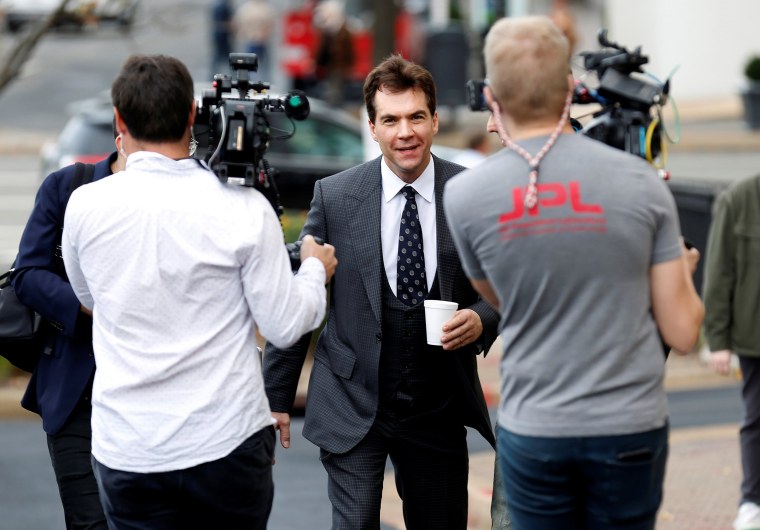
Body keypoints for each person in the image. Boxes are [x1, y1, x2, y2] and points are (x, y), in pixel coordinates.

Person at [444, 16, 704, 530]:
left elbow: (500, 295)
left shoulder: (465, 195)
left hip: (534, 427)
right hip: (627, 425)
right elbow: (683, 331)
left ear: (492, 96)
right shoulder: (640, 183)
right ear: (569, 88)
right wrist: (683, 269)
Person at [61, 54, 337, 529]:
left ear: (120, 121)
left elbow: (87, 297)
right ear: (192, 115)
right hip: (226, 443)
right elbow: (285, 323)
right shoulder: (244, 208)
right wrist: (314, 270)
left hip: (128, 447)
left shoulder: (85, 206)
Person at [263, 54, 500, 529]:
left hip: (438, 403)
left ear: (434, 120)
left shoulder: (473, 191)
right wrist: (275, 398)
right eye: (390, 120)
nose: (404, 132)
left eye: (415, 117)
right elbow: (302, 297)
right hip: (352, 399)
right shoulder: (335, 195)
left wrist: (481, 319)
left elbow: (506, 286)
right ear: (371, 127)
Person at [11, 136, 125, 530]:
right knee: (88, 521)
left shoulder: (180, 197)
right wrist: (86, 304)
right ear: (123, 135)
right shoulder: (67, 186)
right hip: (75, 389)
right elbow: (27, 274)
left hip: (146, 395)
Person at [704, 174, 760, 530]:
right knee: (757, 420)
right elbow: (719, 272)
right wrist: (718, 339)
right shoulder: (740, 197)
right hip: (754, 337)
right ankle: (752, 500)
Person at [314, 0, 355, 106]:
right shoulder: (327, 31)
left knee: (335, 86)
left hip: (338, 65)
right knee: (330, 85)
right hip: (330, 64)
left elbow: (348, 50)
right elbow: (323, 49)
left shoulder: (343, 31)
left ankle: (334, 103)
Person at [234, 0, 276, 81]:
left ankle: (263, 81)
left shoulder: (265, 8)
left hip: (261, 40)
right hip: (251, 39)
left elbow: (270, 24)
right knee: (250, 64)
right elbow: (239, 23)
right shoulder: (247, 8)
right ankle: (252, 81)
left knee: (263, 64)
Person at [210, 0, 234, 76]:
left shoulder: (217, 5)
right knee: (227, 57)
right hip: (223, 37)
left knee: (218, 58)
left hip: (219, 36)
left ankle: (212, 75)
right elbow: (224, 23)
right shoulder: (224, 7)